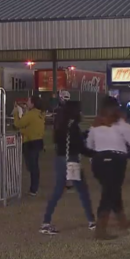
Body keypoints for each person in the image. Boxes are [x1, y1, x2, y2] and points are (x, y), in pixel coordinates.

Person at [87, 96, 130, 240]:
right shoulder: (121, 124)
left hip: (98, 161)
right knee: (110, 192)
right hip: (116, 160)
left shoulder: (95, 124)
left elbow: (89, 145)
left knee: (112, 190)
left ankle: (121, 220)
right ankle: (101, 228)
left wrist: (92, 159)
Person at [40, 100, 96, 235]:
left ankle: (46, 222)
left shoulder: (61, 124)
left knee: (58, 191)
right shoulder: (73, 126)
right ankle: (92, 221)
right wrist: (94, 153)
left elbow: (68, 141)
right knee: (83, 191)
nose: (81, 113)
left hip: (60, 160)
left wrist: (83, 135)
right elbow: (79, 147)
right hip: (71, 160)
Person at [14, 95, 46, 196]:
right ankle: (34, 188)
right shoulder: (40, 113)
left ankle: (34, 189)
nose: (26, 103)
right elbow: (31, 127)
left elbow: (18, 124)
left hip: (30, 143)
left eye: (28, 101)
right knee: (34, 166)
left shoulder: (31, 114)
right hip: (38, 142)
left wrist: (15, 113)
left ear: (33, 103)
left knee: (31, 166)